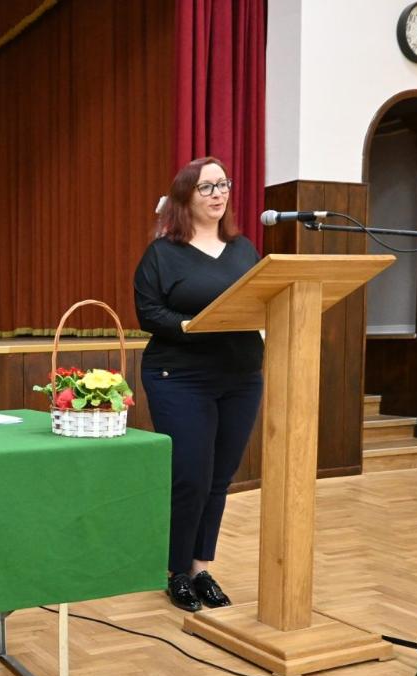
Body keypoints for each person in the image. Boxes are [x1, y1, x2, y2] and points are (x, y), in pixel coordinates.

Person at [132, 156, 263, 613]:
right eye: (207, 186)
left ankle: (201, 567)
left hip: (240, 376)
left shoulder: (244, 249)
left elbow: (264, 297)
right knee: (191, 476)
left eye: (223, 184)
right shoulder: (162, 254)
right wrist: (191, 325)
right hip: (180, 377)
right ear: (185, 196)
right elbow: (149, 312)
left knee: (219, 478)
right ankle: (176, 572)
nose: (218, 193)